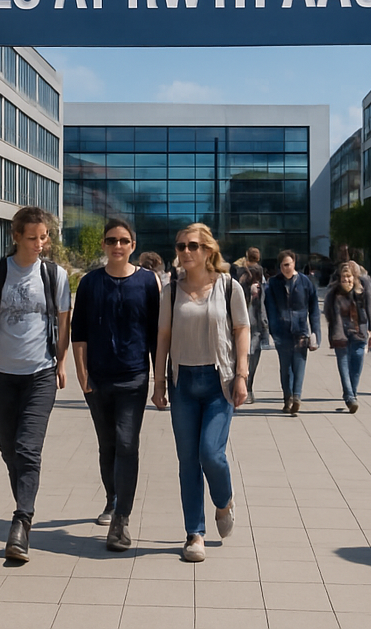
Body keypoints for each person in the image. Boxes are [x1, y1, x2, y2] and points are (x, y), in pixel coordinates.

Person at [0, 206, 71, 562]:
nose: (39, 244)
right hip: (0, 373)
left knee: (28, 448)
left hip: (40, 373)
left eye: (43, 237)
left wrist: (61, 362)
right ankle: (24, 504)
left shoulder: (54, 275)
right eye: (32, 238)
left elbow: (64, 322)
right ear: (16, 237)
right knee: (9, 449)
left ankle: (22, 521)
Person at [153, 223, 250, 563]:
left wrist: (241, 374)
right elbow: (162, 335)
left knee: (212, 454)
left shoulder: (228, 287)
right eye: (180, 246)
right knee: (187, 462)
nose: (185, 252)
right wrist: (159, 382)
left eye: (192, 245)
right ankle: (194, 533)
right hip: (183, 383)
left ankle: (223, 501)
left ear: (208, 250)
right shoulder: (171, 289)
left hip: (218, 381)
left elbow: (241, 329)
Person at [72, 219, 160, 551]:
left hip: (133, 376)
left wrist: (157, 377)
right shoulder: (91, 282)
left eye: (124, 240)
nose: (118, 246)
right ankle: (111, 498)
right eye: (112, 240)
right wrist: (82, 373)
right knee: (107, 444)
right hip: (98, 378)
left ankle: (121, 518)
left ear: (133, 245)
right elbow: (78, 331)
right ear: (104, 245)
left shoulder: (148, 282)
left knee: (127, 443)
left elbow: (155, 334)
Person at [264, 250, 320, 414]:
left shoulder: (305, 282)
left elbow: (314, 309)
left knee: (299, 365)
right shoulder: (273, 283)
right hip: (282, 331)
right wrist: (273, 331)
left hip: (301, 329)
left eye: (288, 264)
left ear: (294, 263)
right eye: (282, 265)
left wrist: (315, 333)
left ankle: (297, 396)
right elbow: (270, 309)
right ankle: (287, 397)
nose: (285, 268)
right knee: (285, 368)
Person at [323, 260, 371, 413]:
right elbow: (328, 311)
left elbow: (370, 307)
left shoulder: (361, 289)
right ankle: (350, 396)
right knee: (344, 364)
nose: (347, 280)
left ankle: (352, 392)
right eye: (344, 277)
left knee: (357, 364)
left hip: (359, 332)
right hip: (340, 332)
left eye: (350, 276)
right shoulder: (334, 292)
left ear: (355, 277)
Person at [238, 260, 269, 404]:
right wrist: (250, 294)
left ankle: (249, 388)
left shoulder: (263, 288)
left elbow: (265, 307)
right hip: (243, 327)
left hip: (257, 328)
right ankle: (243, 387)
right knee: (244, 357)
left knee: (254, 359)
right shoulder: (240, 287)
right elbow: (239, 305)